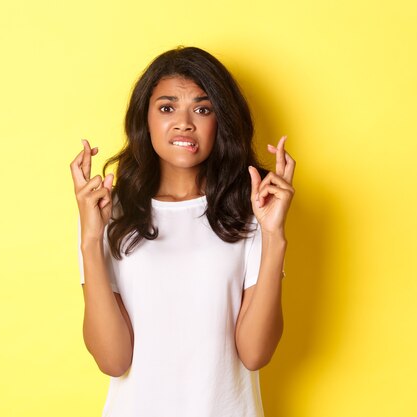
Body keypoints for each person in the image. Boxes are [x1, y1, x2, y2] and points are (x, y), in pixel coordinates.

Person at [70, 46, 295, 417]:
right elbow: (113, 360)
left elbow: (255, 354)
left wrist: (274, 235)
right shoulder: (110, 212)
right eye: (167, 107)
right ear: (145, 118)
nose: (184, 122)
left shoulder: (250, 210)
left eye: (202, 109)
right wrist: (90, 239)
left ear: (220, 121)